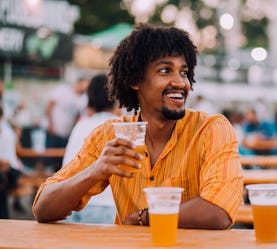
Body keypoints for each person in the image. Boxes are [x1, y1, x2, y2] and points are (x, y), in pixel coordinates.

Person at [32, 24, 243, 229]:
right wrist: (94, 172)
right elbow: (43, 208)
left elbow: (219, 211)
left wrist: (145, 217)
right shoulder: (109, 135)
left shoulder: (212, 129)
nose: (180, 82)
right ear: (135, 80)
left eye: (184, 72)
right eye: (165, 70)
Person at [62, 74, 121, 224]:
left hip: (72, 208)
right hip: (108, 208)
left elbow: (66, 167)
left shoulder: (80, 126)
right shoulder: (120, 127)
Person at [44, 76, 90, 171]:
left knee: (59, 161)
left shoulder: (82, 99)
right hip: (54, 131)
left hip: (65, 134)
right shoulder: (63, 91)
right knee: (47, 158)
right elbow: (49, 107)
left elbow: (78, 116)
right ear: (79, 82)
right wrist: (51, 125)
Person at [0, 103, 22, 218]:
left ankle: (3, 219)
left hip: (11, 171)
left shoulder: (5, 132)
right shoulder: (6, 130)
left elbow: (7, 163)